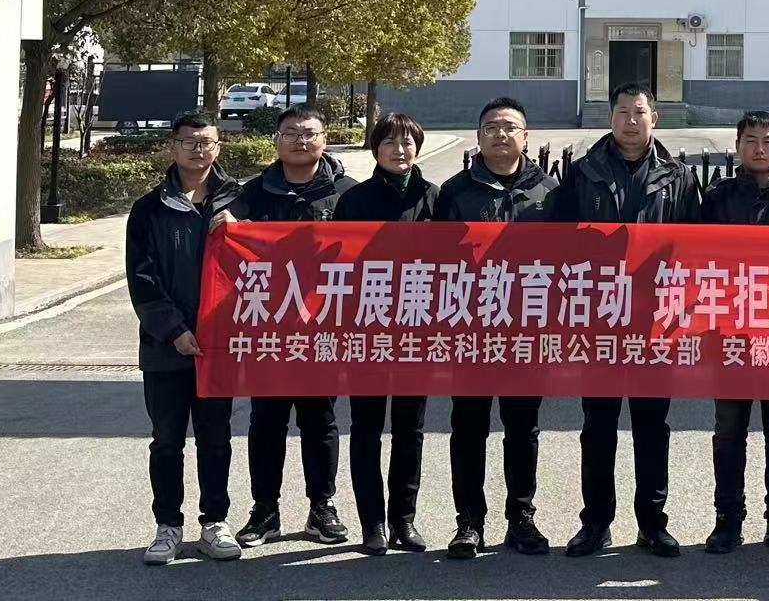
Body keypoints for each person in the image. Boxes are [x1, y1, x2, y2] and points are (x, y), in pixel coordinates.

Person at [548, 82, 703, 559]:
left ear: (655, 118)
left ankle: (653, 524)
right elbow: (559, 243)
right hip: (600, 318)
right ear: (610, 117)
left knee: (652, 426)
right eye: (622, 112)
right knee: (598, 426)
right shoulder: (583, 172)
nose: (630, 121)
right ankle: (595, 522)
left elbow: (696, 247)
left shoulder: (679, 177)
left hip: (655, 322)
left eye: (639, 112)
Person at [218, 105, 357, 549]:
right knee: (267, 421)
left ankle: (322, 507)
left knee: (321, 420)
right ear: (276, 140)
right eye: (291, 133)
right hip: (270, 328)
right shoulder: (252, 194)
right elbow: (225, 247)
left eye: (309, 133)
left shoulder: (347, 194)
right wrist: (227, 225)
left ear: (324, 140)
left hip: (324, 328)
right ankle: (264, 509)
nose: (300, 140)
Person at [435, 97, 559, 559]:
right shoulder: (454, 192)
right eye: (491, 127)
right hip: (471, 328)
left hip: (526, 328)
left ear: (526, 136)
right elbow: (431, 259)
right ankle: (469, 521)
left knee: (522, 427)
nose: (501, 134)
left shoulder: (549, 192)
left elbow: (569, 260)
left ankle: (521, 517)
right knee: (468, 426)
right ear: (478, 136)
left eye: (510, 127)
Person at [126, 112, 246, 566]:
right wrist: (173, 329)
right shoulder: (149, 208)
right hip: (166, 348)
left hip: (219, 345)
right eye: (188, 141)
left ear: (219, 147)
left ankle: (215, 522)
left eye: (206, 142)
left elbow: (267, 262)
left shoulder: (239, 202)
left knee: (216, 439)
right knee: (167, 440)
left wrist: (243, 228)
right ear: (172, 147)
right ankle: (167, 526)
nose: (198, 149)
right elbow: (141, 278)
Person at [699, 110, 769, 556]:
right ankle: (727, 520)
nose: (759, 148)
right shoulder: (717, 198)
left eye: (768, 141)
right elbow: (697, 260)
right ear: (737, 147)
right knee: (729, 430)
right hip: (728, 333)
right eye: (750, 140)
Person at [333, 110, 440, 555]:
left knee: (410, 428)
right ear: (375, 148)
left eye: (408, 142)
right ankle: (372, 522)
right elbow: (336, 265)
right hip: (369, 328)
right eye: (390, 142)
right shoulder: (354, 201)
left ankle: (404, 519)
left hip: (417, 329)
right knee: (366, 427)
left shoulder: (434, 197)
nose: (400, 150)